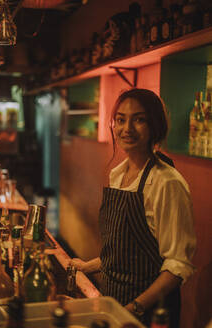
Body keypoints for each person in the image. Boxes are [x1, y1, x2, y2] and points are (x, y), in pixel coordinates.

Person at [69, 88, 196, 327]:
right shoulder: (117, 174)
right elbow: (124, 252)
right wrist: (88, 266)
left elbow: (178, 265)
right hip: (114, 302)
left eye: (139, 119)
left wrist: (134, 307)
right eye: (120, 119)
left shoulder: (167, 183)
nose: (127, 128)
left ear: (154, 126)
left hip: (149, 312)